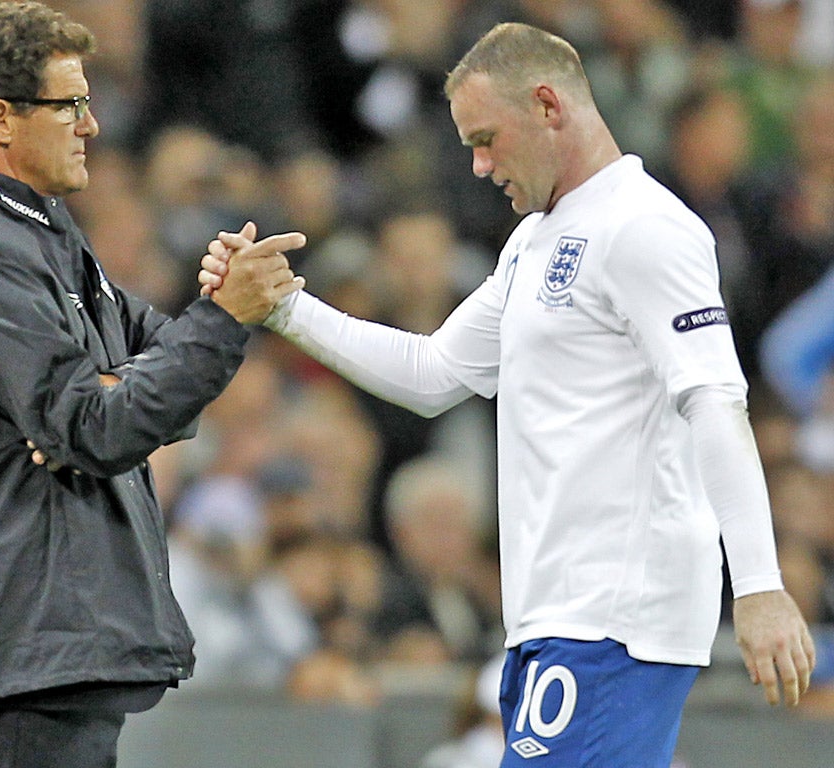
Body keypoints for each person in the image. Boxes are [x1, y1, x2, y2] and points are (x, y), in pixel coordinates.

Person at [200, 22, 816, 768]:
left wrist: (757, 584)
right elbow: (432, 374)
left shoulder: (647, 228)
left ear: (550, 106)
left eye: (487, 138)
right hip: (552, 619)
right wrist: (286, 308)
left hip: (614, 620)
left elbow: (715, 400)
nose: (481, 164)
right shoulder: (535, 239)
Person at [0, 3, 303, 768]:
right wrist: (213, 327)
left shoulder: (40, 238)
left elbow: (144, 367)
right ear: (1, 120)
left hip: (49, 653)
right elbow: (100, 427)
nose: (92, 126)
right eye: (71, 104)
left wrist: (200, 324)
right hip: (20, 652)